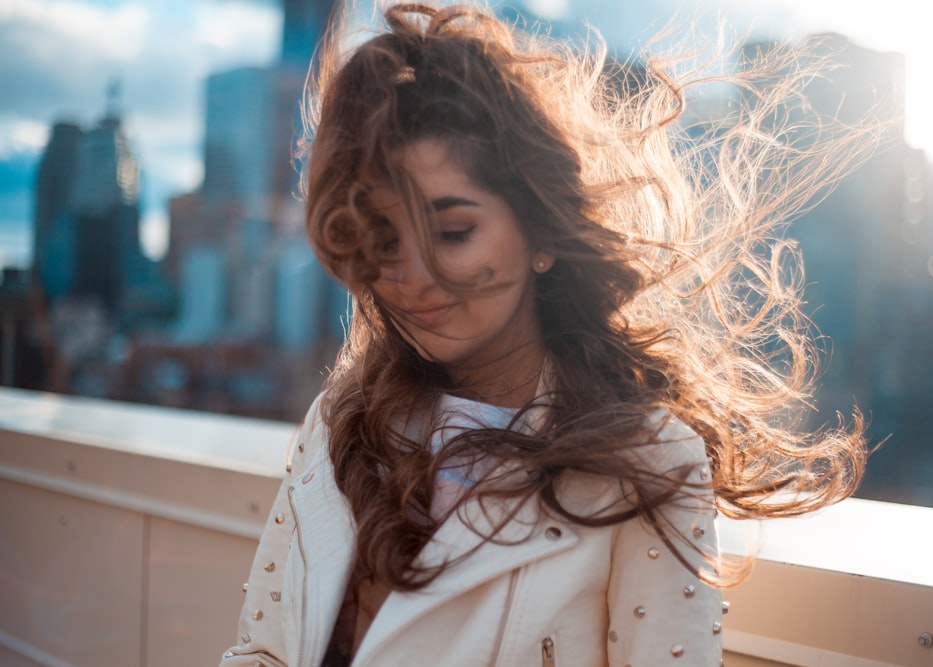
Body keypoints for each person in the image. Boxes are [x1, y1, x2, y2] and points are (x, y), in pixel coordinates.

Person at [221, 2, 874, 665]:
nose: (412, 275)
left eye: (453, 231)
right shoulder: (342, 419)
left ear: (539, 230)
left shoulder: (649, 459)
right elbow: (262, 649)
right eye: (383, 238)